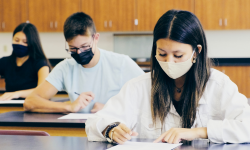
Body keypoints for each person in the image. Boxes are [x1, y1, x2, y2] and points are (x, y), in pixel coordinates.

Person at [85, 10, 250, 144]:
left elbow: (247, 127)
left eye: (178, 55)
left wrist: (199, 132)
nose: (169, 62)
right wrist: (111, 129)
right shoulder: (140, 86)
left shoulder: (218, 84)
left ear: (196, 52)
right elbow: (95, 122)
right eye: (162, 54)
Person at [24, 12, 144, 113]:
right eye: (73, 49)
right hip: (78, 131)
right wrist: (69, 106)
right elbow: (30, 102)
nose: (80, 52)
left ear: (96, 38)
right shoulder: (65, 68)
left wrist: (111, 108)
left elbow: (153, 97)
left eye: (85, 47)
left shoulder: (121, 63)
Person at [0, 23, 50, 100]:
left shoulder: (41, 63)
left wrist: (17, 94)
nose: (19, 44)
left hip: (33, 106)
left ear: (32, 43)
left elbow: (42, 91)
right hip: (9, 106)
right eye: (16, 40)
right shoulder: (4, 62)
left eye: (25, 42)